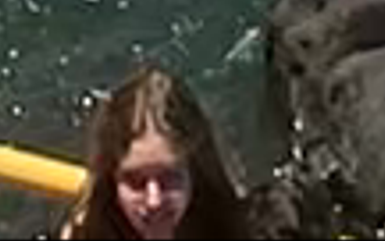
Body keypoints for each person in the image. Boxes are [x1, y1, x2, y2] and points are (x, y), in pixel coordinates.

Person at [57, 75, 249, 241]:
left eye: (169, 177)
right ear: (112, 179)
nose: (153, 201)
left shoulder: (237, 226)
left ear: (194, 172)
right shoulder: (86, 234)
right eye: (135, 181)